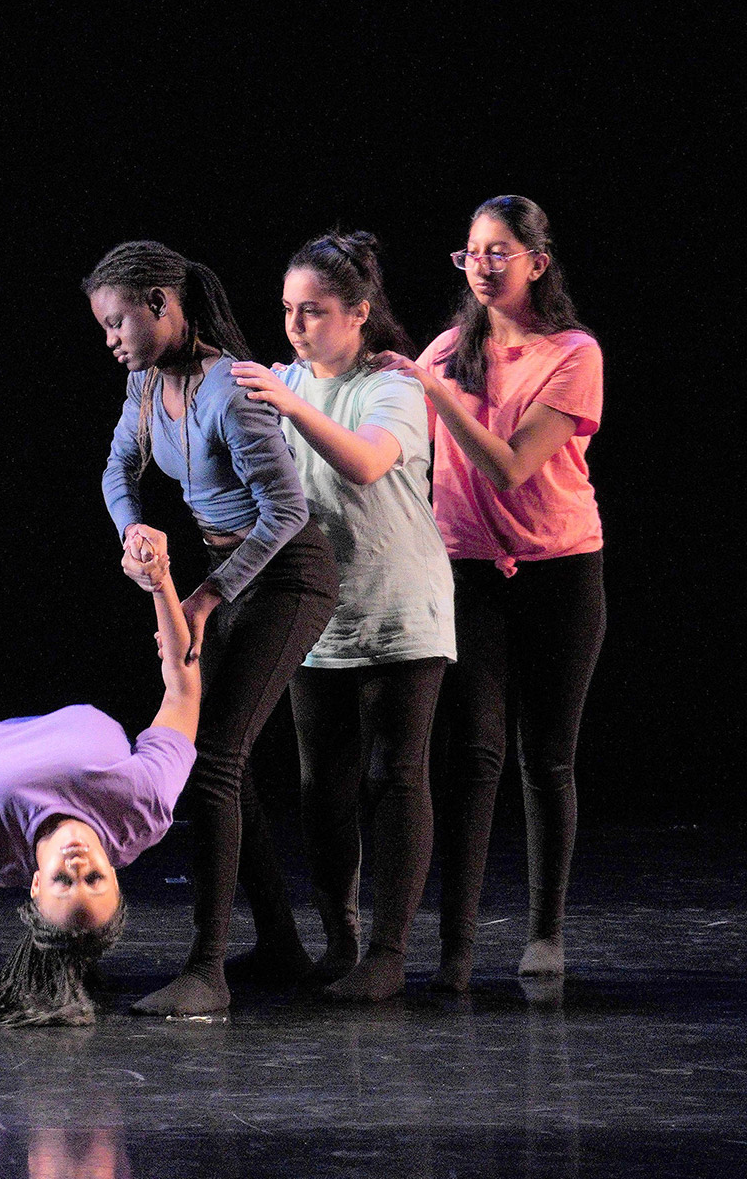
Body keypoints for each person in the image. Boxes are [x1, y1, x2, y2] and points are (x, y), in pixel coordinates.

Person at [88, 240, 340, 1016]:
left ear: (162, 303)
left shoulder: (231, 389)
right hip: (228, 580)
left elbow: (288, 512)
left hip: (289, 576)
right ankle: (279, 944)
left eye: (118, 320)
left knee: (216, 760)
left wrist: (202, 599)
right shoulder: (144, 386)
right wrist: (134, 530)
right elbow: (116, 471)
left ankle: (208, 971)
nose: (111, 340)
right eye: (103, 326)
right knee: (214, 761)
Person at [231, 229, 455, 1002]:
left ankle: (389, 951)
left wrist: (291, 400)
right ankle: (340, 939)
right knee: (320, 781)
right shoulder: (283, 382)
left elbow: (364, 462)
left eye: (315, 310)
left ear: (359, 313)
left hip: (400, 602)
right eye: (289, 309)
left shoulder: (389, 385)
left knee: (394, 773)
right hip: (319, 612)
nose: (296, 325)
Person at [411, 195, 606, 989]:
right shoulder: (446, 351)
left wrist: (433, 394)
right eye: (471, 252)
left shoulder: (572, 353)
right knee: (473, 756)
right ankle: (456, 951)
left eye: (499, 251)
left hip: (560, 573)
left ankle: (545, 933)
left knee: (546, 758)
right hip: (465, 573)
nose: (483, 265)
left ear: (537, 260)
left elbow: (512, 465)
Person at [0, 535, 200, 1025]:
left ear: (35, 884)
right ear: (116, 876)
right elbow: (182, 694)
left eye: (63, 880)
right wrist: (160, 582)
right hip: (77, 657)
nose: (78, 866)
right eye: (94, 879)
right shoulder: (142, 807)